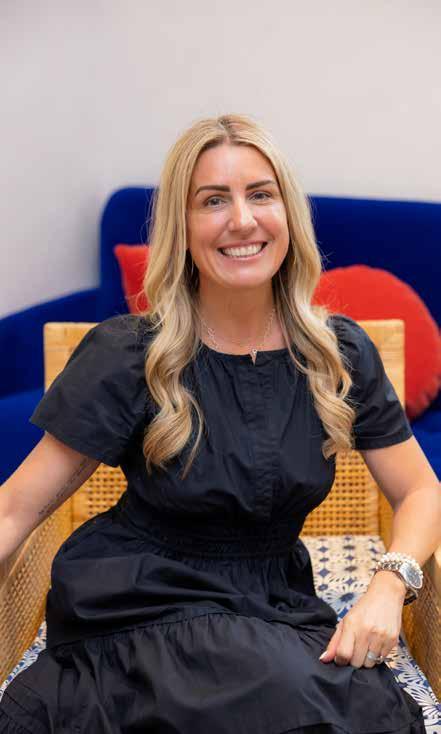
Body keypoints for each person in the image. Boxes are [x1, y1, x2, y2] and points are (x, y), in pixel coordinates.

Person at [0, 112, 439, 733]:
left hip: (276, 605)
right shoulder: (130, 354)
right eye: (213, 200)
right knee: (312, 700)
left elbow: (420, 489)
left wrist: (390, 585)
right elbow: (15, 509)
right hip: (141, 600)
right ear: (181, 229)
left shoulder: (338, 354)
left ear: (288, 214)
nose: (242, 219)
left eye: (260, 194)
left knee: (372, 709)